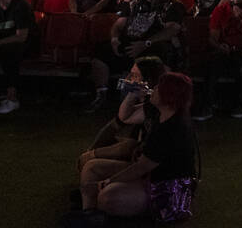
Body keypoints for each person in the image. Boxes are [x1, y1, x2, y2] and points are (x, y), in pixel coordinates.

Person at [74, 72, 196, 224]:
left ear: (168, 96)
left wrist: (106, 182)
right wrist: (133, 95)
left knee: (108, 197)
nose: (154, 88)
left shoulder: (172, 128)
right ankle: (89, 215)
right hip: (150, 176)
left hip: (166, 190)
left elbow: (141, 168)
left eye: (159, 87)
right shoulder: (161, 113)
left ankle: (96, 211)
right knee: (92, 167)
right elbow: (124, 118)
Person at [88, 0, 186, 112]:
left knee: (157, 54)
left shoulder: (172, 4)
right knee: (100, 51)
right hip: (129, 44)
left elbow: (172, 30)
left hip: (150, 47)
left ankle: (140, 101)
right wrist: (115, 39)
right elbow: (118, 25)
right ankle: (101, 95)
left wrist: (145, 43)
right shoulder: (135, 1)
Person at [196, 0, 242, 120]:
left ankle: (240, 105)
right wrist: (220, 46)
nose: (235, 1)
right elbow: (213, 37)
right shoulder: (221, 10)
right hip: (226, 50)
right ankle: (207, 106)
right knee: (212, 65)